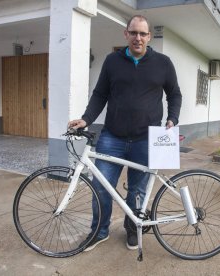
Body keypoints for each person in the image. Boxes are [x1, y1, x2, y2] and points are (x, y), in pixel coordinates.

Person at [68, 15, 182, 251]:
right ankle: (99, 232)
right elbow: (100, 94)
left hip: (146, 139)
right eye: (133, 33)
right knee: (101, 186)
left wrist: (173, 118)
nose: (138, 38)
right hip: (113, 136)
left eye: (142, 33)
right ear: (126, 34)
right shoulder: (112, 61)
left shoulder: (163, 63)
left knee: (137, 191)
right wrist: (86, 119)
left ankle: (133, 229)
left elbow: (175, 94)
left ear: (149, 36)